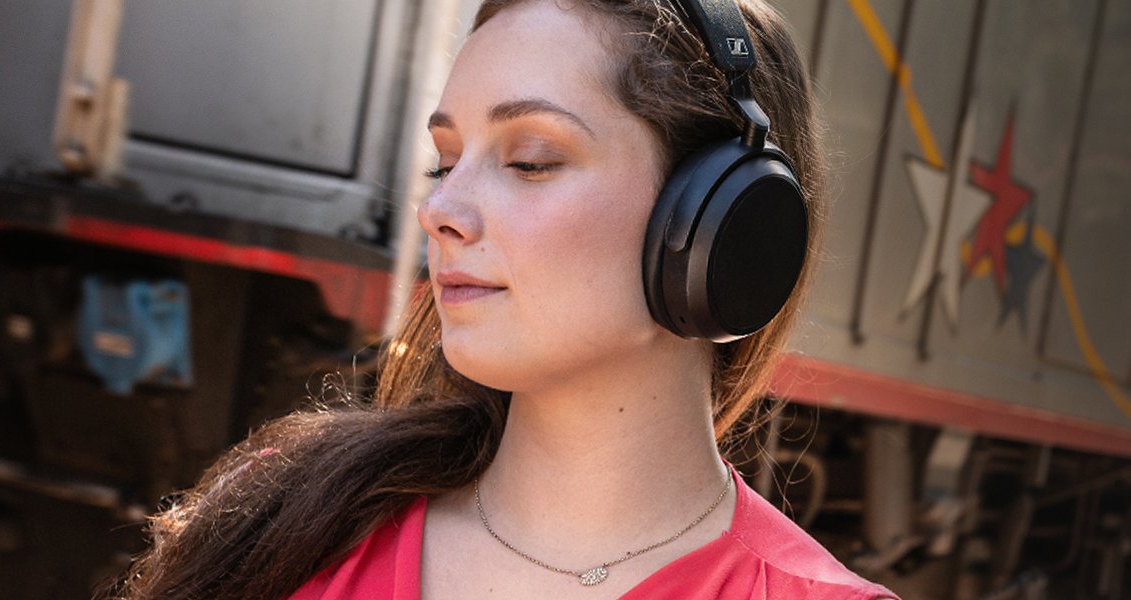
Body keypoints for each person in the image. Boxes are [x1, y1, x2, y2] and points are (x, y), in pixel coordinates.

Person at [113, 0, 897, 598]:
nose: (439, 210)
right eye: (444, 162)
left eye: (527, 160)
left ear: (721, 223)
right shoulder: (286, 524)